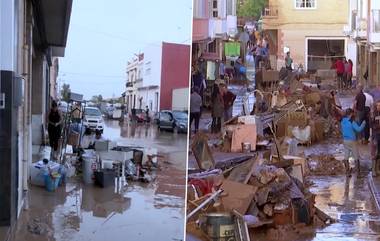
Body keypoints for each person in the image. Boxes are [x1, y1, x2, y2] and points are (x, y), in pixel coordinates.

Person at [341, 108, 366, 175]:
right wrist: (363, 124)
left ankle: (347, 172)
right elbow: (358, 129)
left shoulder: (342, 121)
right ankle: (358, 174)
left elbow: (342, 129)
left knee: (346, 156)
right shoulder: (351, 121)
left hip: (345, 140)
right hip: (352, 141)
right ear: (351, 114)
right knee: (356, 156)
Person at [371, 101, 380, 176]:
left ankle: (378, 169)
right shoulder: (373, 115)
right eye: (377, 106)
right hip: (376, 135)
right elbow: (371, 125)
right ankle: (373, 170)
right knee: (375, 153)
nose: (379, 107)